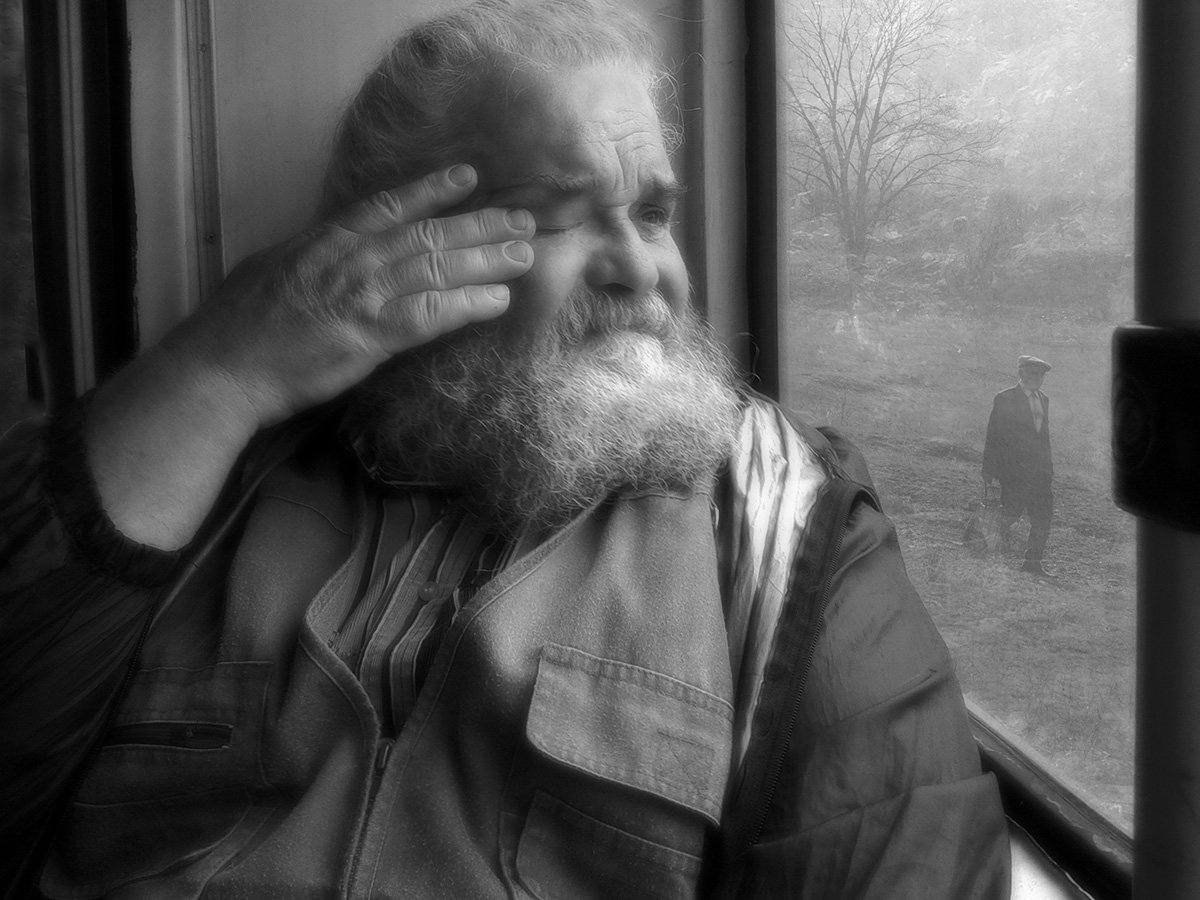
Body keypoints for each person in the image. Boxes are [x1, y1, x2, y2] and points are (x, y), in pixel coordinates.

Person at [0, 1, 1009, 896]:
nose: (642, 270)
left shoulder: (784, 531)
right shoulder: (223, 478)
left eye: (653, 213)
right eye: (562, 213)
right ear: (400, 251)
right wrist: (220, 368)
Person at [983, 355, 1056, 578]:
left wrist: (1048, 469)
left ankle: (1032, 563)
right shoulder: (1005, 398)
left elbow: (1043, 438)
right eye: (1034, 373)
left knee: (1043, 518)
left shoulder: (1044, 399)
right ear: (1021, 373)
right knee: (1010, 513)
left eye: (1041, 375)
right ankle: (982, 550)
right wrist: (988, 470)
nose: (1038, 378)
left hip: (1040, 474)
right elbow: (994, 436)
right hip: (1015, 472)